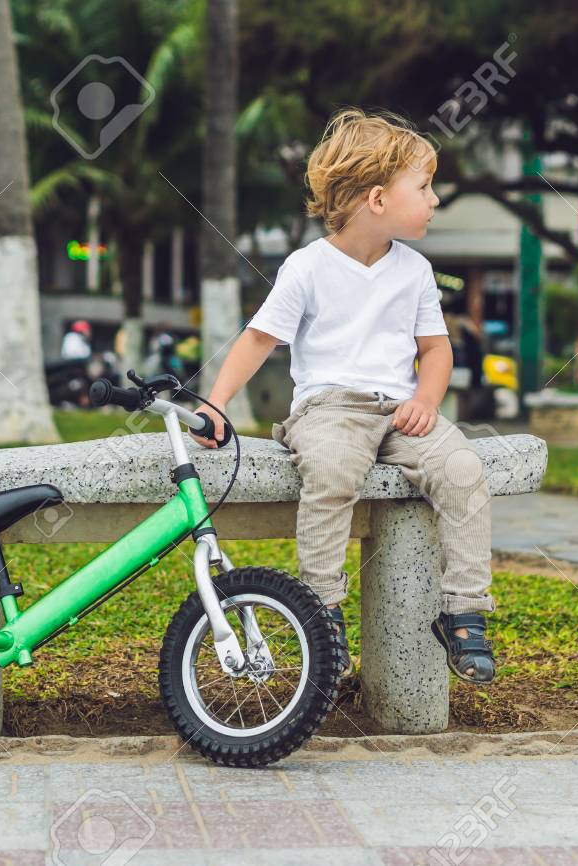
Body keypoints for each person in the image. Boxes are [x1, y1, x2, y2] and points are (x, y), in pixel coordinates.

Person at [189, 107, 496, 685]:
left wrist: (427, 402)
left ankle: (464, 613)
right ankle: (321, 612)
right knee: (331, 473)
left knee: (462, 469)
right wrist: (217, 401)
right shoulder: (307, 268)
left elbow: (436, 351)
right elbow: (259, 338)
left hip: (401, 412)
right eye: (425, 187)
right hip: (329, 410)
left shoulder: (416, 271)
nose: (435, 200)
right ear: (377, 199)